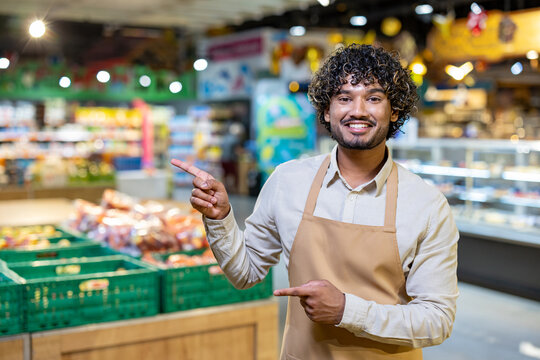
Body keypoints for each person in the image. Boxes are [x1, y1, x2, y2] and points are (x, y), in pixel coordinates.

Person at [171, 44, 459, 359]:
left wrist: (347, 311)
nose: (358, 111)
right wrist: (220, 217)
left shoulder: (426, 204)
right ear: (326, 110)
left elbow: (437, 321)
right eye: (344, 98)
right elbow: (246, 273)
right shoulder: (288, 181)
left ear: (395, 111)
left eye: (374, 98)